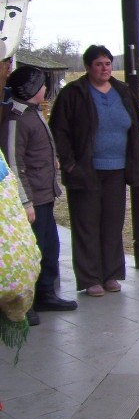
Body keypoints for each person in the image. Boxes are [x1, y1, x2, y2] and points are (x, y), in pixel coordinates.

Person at [48, 45, 139, 296]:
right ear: (88, 66)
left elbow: (137, 127)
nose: (105, 68)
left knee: (112, 223)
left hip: (117, 169)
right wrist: (70, 163)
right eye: (99, 64)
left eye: (108, 63)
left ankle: (111, 274)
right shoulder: (74, 93)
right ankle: (90, 278)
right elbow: (59, 130)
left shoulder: (123, 91)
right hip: (85, 171)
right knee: (87, 225)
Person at [1, 65, 78, 326]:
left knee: (50, 247)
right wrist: (24, 201)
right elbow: (13, 161)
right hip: (32, 197)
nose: (46, 88)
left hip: (44, 194)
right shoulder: (17, 119)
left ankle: (46, 293)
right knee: (34, 251)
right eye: (42, 84)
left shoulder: (34, 113)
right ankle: (28, 303)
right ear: (31, 88)